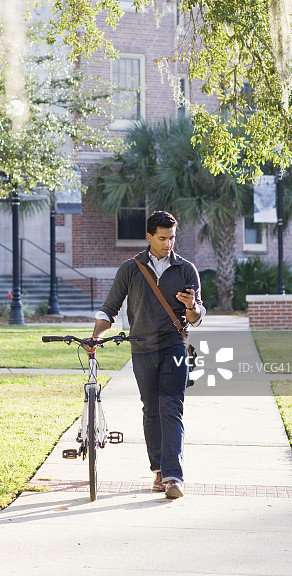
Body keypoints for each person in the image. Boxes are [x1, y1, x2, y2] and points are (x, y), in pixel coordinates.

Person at [89, 210, 205, 499]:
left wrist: (191, 306)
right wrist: (96, 335)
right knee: (151, 409)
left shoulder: (186, 269)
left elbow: (196, 316)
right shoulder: (131, 268)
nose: (169, 244)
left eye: (172, 238)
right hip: (140, 348)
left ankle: (173, 476)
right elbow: (110, 308)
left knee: (171, 407)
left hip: (174, 346)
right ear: (149, 236)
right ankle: (158, 470)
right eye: (163, 238)